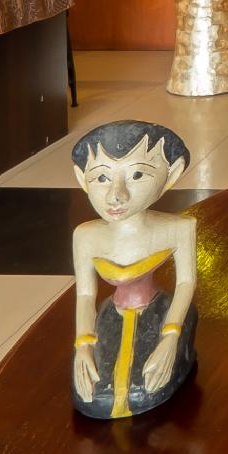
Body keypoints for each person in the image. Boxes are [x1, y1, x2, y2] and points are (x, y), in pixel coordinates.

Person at [70, 121, 199, 419]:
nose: (116, 195)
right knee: (96, 392)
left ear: (171, 175)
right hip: (111, 314)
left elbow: (186, 283)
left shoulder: (179, 228)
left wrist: (171, 336)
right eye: (102, 177)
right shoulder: (86, 236)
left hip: (160, 312)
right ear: (82, 179)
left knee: (147, 383)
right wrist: (83, 345)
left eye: (137, 175)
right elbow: (85, 295)